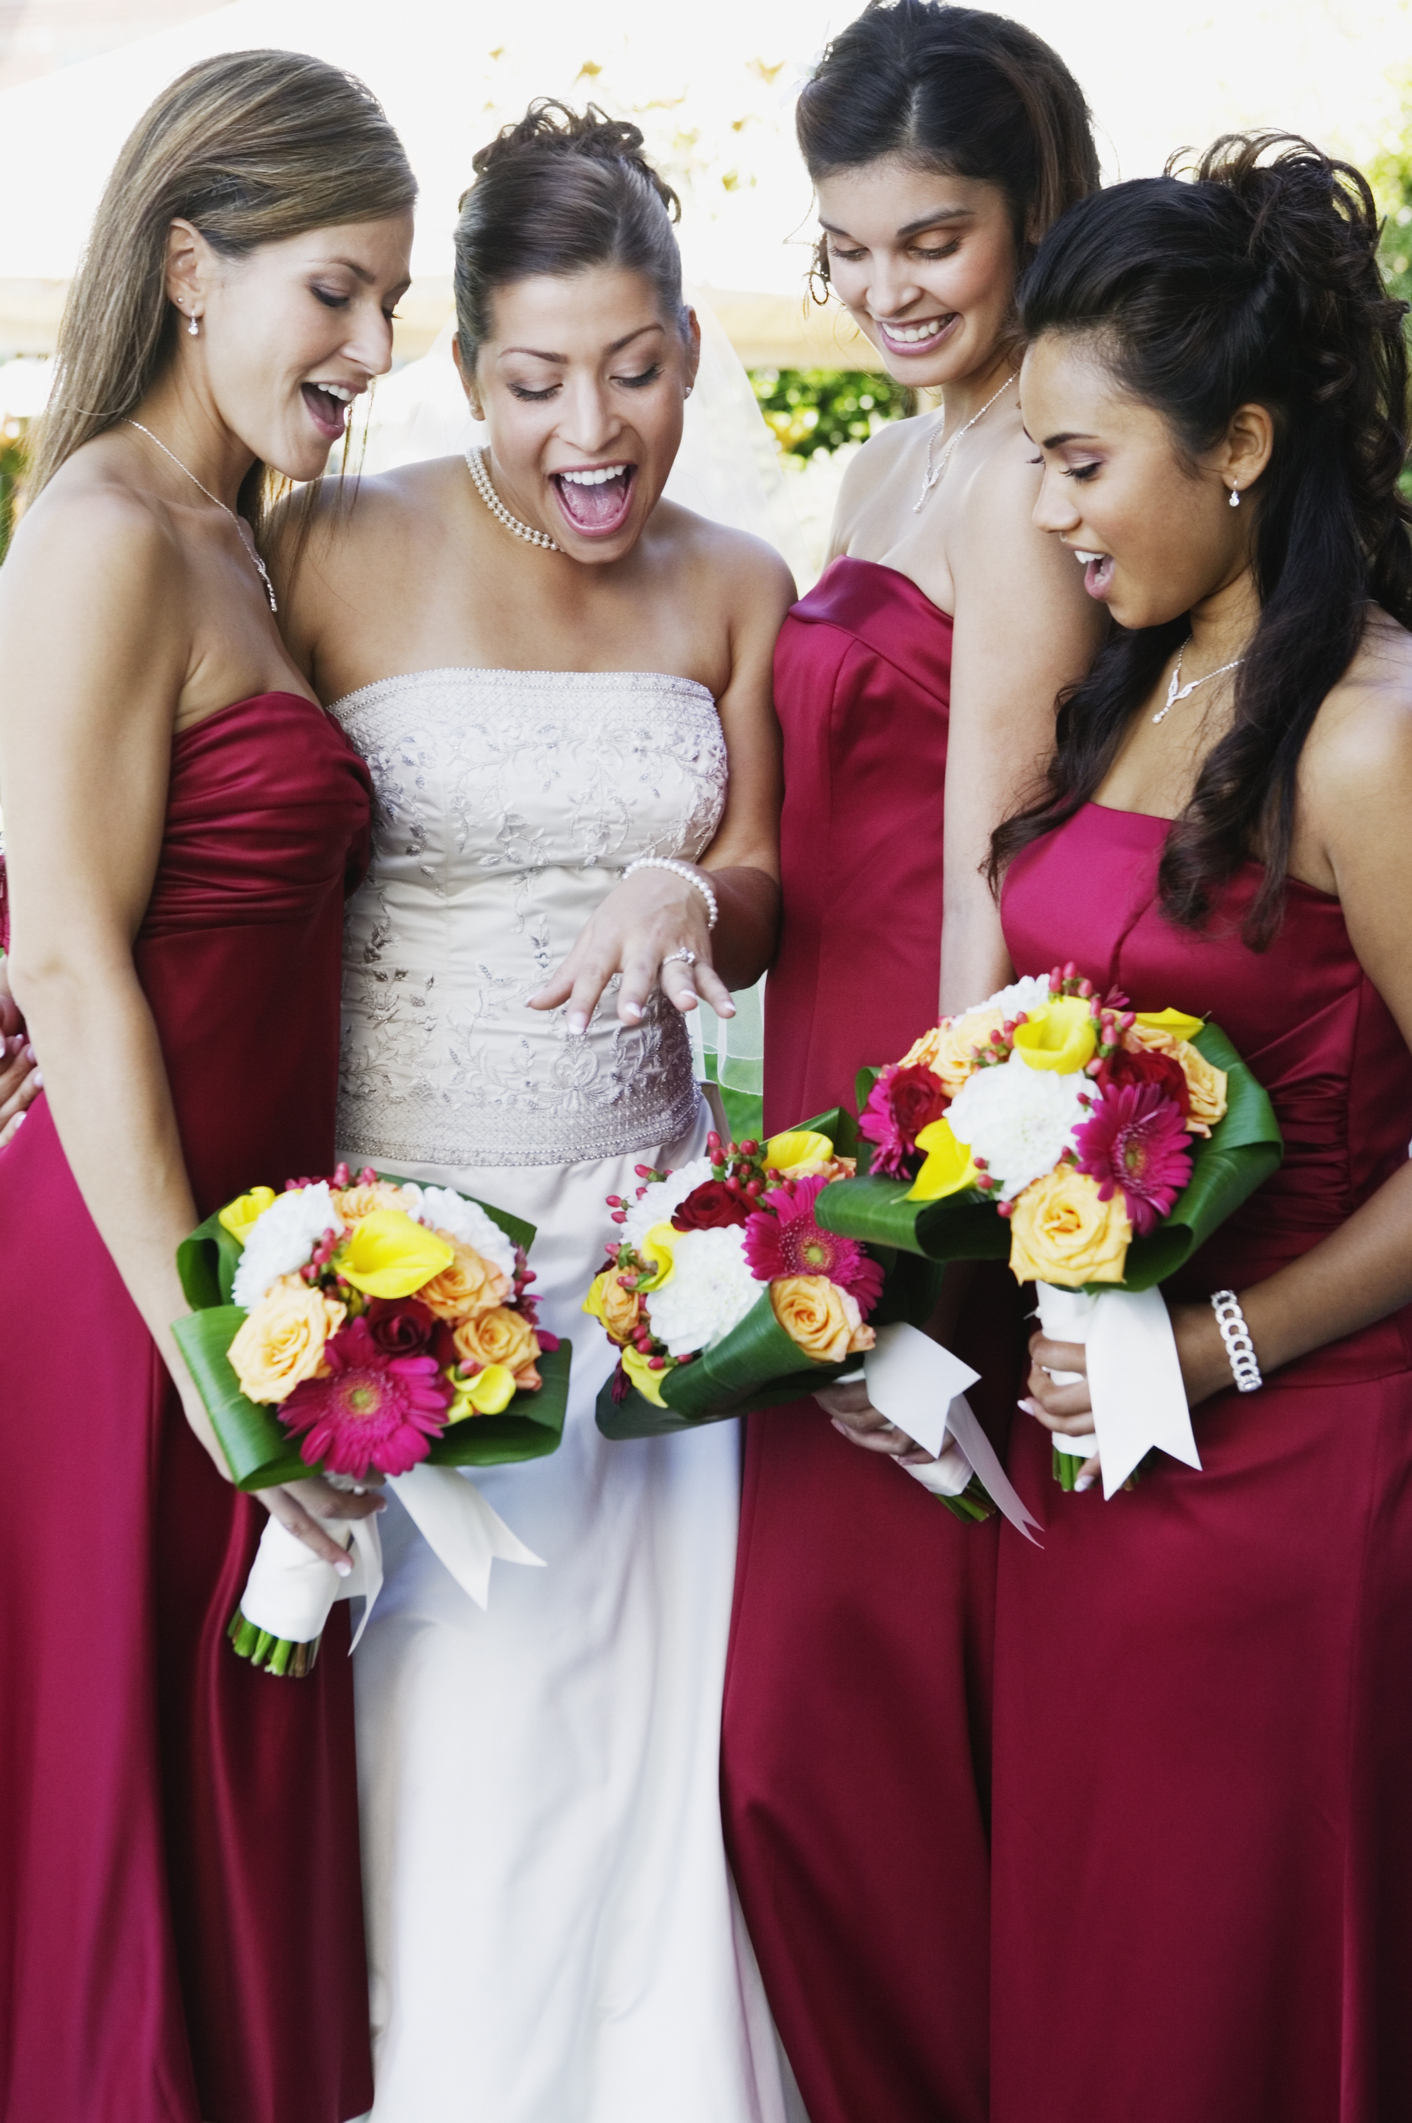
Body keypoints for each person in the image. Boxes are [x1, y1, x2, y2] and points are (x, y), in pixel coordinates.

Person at [274, 103, 795, 2123]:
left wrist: (695, 889)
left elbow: (757, 892)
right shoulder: (326, 544)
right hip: (402, 1285)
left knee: (645, 1775)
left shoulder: (738, 583)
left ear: (686, 343)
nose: (594, 426)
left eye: (638, 366)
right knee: (459, 1759)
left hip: (650, 1290)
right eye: (533, 379)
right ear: (462, 364)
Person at [0, 53, 415, 2123]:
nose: (372, 349)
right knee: (122, 1860)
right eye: (335, 292)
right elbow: (68, 957)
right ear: (188, 261)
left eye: (391, 306)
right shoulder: (100, 534)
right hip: (128, 1284)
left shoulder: (243, 540)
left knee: (234, 1806)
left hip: (257, 1277)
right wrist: (202, 1354)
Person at [990, 133, 1412, 2121]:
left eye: (1081, 462)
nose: (1046, 509)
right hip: (1102, 1483)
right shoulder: (1147, 680)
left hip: (1302, 1479)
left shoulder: (1366, 731)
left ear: (1234, 440)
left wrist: (1214, 1340)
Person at [720, 10, 1103, 2118]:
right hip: (809, 1123)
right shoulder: (886, 455)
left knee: (840, 1739)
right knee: (807, 1754)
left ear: (1036, 202)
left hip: (912, 1156)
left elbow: (990, 872)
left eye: (928, 239)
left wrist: (908, 1226)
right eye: (847, 247)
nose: (882, 294)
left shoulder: (1041, 458)